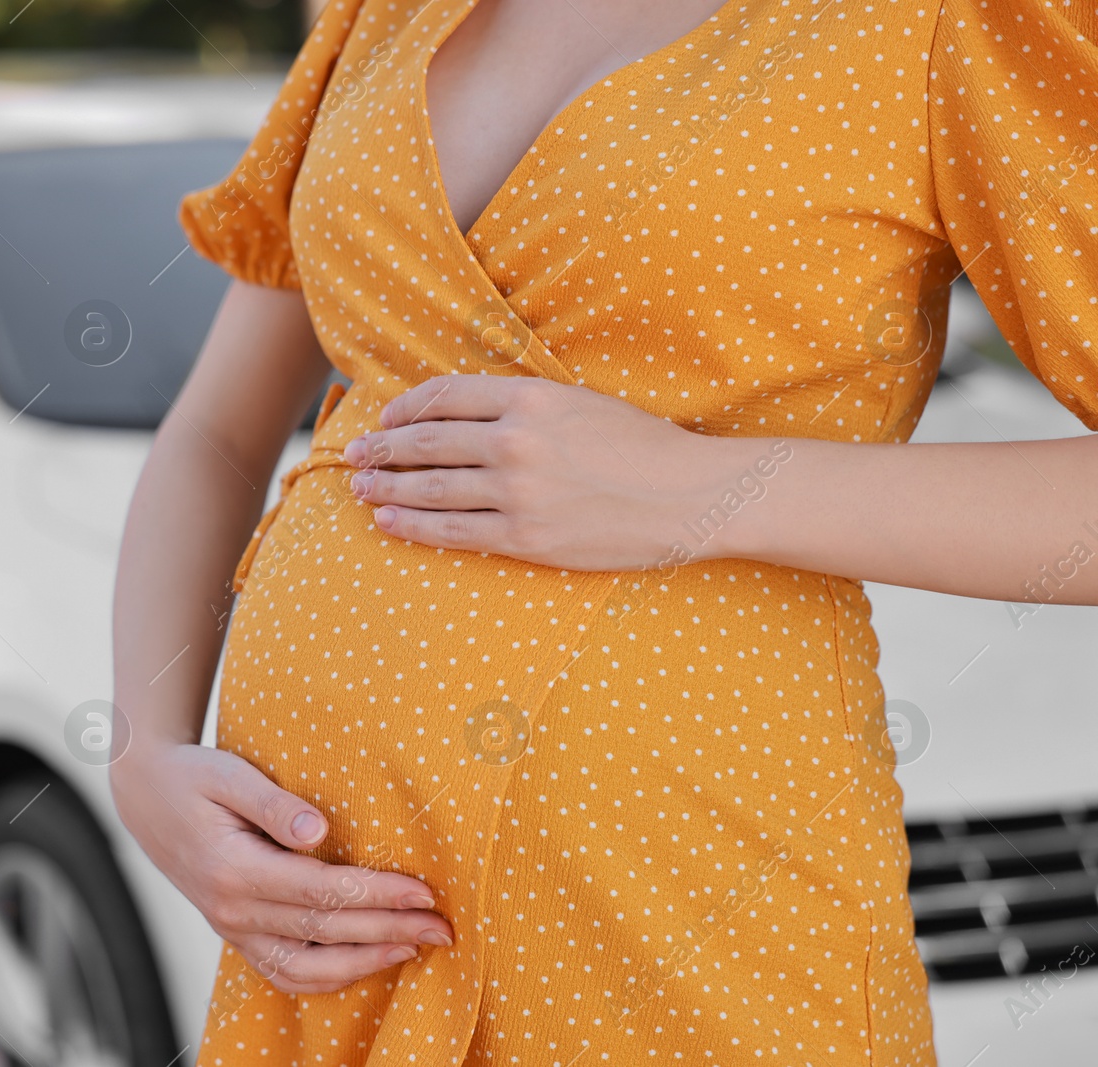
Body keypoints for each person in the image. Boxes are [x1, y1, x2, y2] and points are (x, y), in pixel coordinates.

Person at [110, 0, 1098, 1061]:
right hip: (329, 951)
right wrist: (141, 756)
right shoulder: (377, 12)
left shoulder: (945, 22)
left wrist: (701, 487)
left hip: (679, 915)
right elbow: (217, 430)